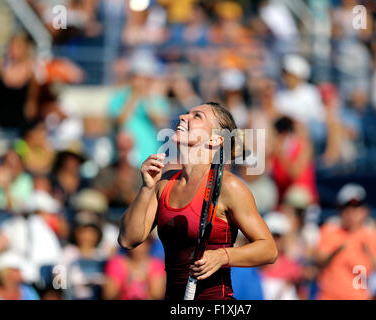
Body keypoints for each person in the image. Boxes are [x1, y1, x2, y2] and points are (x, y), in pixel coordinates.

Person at [118, 102, 277, 300]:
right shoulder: (164, 183)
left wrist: (223, 256)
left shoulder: (229, 187)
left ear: (216, 140)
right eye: (187, 113)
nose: (184, 117)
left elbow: (269, 249)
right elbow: (128, 239)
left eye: (197, 116)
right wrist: (146, 187)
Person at [314, 183, 376, 300]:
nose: (351, 214)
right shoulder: (328, 231)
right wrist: (335, 252)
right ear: (339, 210)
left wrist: (369, 255)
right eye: (347, 209)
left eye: (357, 208)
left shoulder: (374, 236)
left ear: (365, 210)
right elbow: (318, 263)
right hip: (328, 296)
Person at [103, 236, 165, 300]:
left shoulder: (158, 265)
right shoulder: (115, 263)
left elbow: (157, 296)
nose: (137, 248)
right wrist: (128, 285)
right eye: (134, 244)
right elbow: (109, 295)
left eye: (142, 244)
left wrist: (144, 282)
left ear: (149, 245)